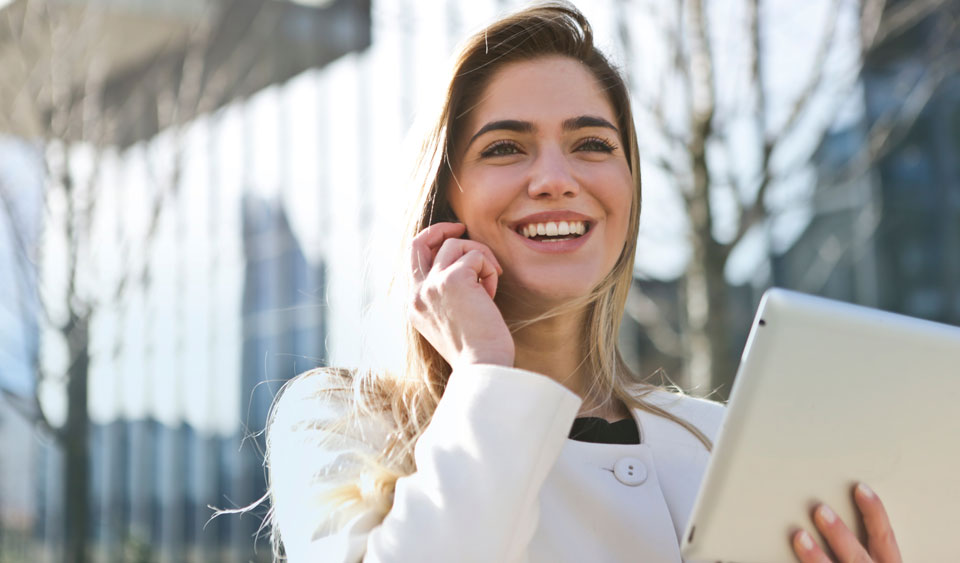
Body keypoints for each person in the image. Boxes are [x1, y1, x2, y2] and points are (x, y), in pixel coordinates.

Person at [266, 3, 902, 562]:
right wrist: (487, 372)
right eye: (505, 148)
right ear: (442, 201)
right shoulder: (335, 423)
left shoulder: (718, 442)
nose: (555, 178)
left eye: (592, 144)